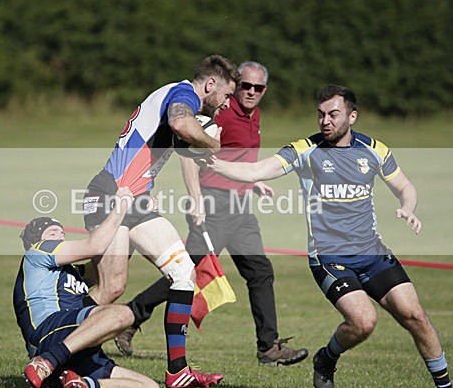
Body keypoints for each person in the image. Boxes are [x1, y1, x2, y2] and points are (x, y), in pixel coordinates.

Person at [202, 84, 453, 388]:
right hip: (329, 259)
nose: (325, 121)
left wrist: (408, 207)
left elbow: (404, 186)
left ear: (352, 116)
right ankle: (326, 359)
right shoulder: (305, 150)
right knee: (364, 322)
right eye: (321, 114)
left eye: (333, 114)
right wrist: (216, 164)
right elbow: (257, 169)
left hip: (372, 253)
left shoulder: (374, 150)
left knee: (415, 316)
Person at [115, 61, 309, 366]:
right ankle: (132, 315)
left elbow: (237, 160)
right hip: (214, 206)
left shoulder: (254, 115)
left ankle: (269, 348)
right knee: (187, 271)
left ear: (265, 90)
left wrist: (253, 183)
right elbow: (188, 156)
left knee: (260, 272)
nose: (251, 92)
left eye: (258, 88)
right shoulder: (221, 112)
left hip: (240, 208)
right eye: (245, 86)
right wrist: (196, 200)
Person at [82, 54, 240, 388]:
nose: (228, 104)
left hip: (135, 200)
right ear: (211, 84)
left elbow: (173, 143)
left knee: (184, 273)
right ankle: (55, 351)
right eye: (227, 95)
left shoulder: (180, 99)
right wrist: (213, 142)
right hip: (111, 194)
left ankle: (177, 371)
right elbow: (182, 124)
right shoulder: (184, 95)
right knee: (110, 288)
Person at [14, 186, 160, 388]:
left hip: (76, 343)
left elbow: (112, 270)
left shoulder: (71, 271)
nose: (60, 236)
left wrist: (135, 218)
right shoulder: (37, 252)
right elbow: (96, 246)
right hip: (49, 333)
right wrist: (120, 207)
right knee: (124, 315)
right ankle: (47, 362)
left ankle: (81, 383)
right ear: (36, 241)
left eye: (62, 232)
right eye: (53, 233)